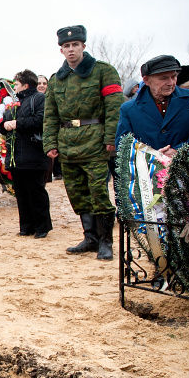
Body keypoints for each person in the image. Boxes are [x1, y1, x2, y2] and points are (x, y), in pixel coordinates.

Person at [42, 25, 124, 261]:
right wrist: (50, 143)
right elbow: (51, 115)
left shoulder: (103, 71)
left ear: (83, 46)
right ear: (61, 50)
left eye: (75, 45)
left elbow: (114, 107)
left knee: (98, 192)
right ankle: (90, 238)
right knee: (77, 193)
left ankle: (106, 242)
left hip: (96, 142)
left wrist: (111, 138)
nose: (71, 50)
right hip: (68, 144)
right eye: (66, 46)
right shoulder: (57, 80)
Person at [115, 55, 189, 160]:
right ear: (146, 80)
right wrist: (151, 157)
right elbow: (123, 144)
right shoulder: (129, 109)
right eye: (164, 78)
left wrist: (180, 151)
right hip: (148, 172)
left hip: (187, 169)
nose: (171, 83)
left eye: (173, 76)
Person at [0, 70, 53, 238]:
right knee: (21, 192)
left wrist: (17, 123)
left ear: (25, 85)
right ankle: (26, 226)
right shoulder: (15, 102)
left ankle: (42, 227)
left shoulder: (39, 99)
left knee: (36, 191)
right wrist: (5, 125)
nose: (14, 87)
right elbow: (3, 124)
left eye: (16, 84)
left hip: (34, 154)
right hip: (16, 156)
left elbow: (40, 120)